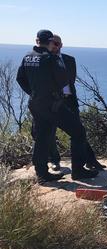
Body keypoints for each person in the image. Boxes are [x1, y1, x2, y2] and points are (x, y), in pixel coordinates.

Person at [16, 30, 69, 184]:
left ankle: (41, 171)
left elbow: (20, 78)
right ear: (51, 41)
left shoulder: (27, 56)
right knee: (45, 137)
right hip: (50, 103)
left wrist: (33, 93)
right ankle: (42, 173)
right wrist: (65, 96)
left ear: (37, 40)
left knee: (40, 136)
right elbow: (63, 80)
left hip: (35, 102)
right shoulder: (49, 58)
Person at [48, 35, 105, 172]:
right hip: (50, 103)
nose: (53, 46)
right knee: (49, 132)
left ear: (61, 44)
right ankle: (54, 161)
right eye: (51, 43)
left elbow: (70, 80)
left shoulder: (69, 60)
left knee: (79, 132)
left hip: (69, 100)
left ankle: (89, 160)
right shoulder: (44, 61)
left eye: (56, 43)